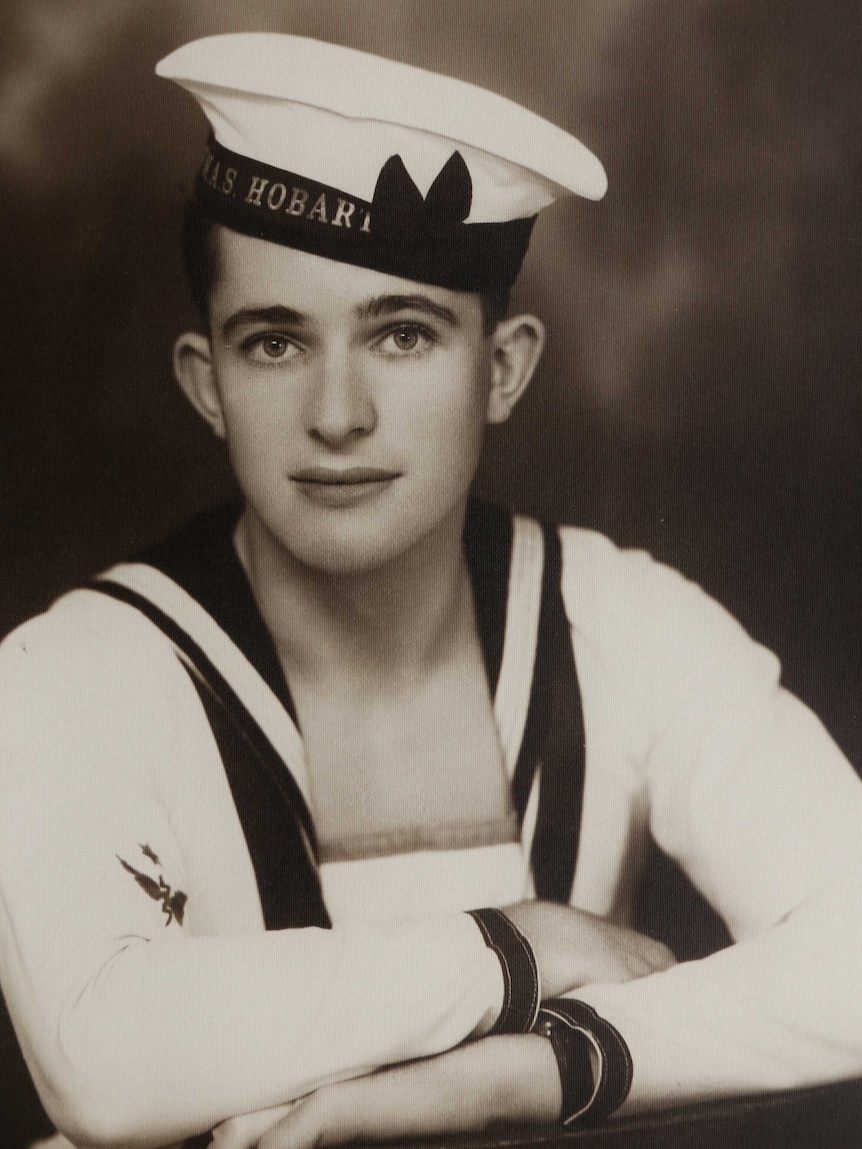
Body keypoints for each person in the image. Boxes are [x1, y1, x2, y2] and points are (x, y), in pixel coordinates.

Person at [2, 30, 862, 1149]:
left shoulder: (616, 623)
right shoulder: (77, 671)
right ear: (205, 384)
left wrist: (520, 1077)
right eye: (274, 343)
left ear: (500, 368)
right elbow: (102, 1064)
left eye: (402, 334)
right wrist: (507, 948)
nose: (339, 413)